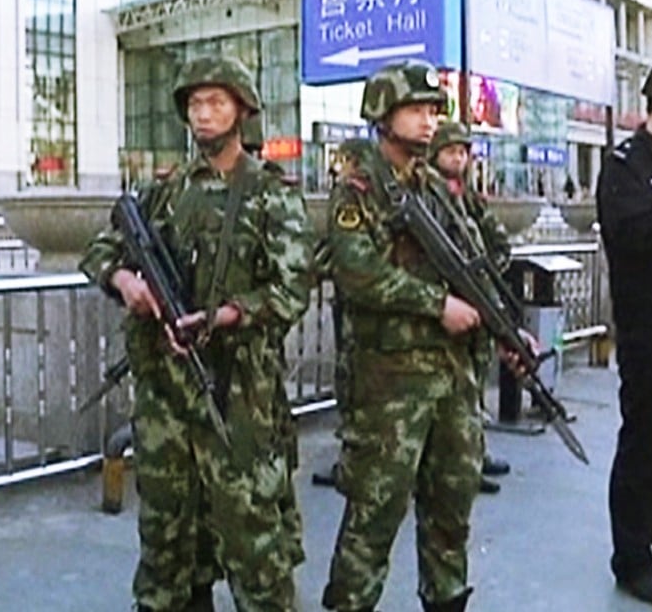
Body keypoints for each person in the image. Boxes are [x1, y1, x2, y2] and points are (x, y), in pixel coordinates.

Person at [79, 54, 315, 612]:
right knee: (167, 551)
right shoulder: (166, 192)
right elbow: (100, 248)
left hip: (236, 397)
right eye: (194, 104)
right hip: (166, 405)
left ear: (242, 110)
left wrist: (230, 313)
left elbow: (292, 289)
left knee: (257, 553)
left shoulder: (268, 193)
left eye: (215, 102)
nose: (203, 114)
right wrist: (123, 280)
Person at [320, 60, 486, 612]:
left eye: (434, 110)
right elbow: (358, 272)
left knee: (450, 509)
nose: (428, 121)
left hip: (451, 379)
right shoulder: (359, 189)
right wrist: (437, 305)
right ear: (383, 115)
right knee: (374, 514)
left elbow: (471, 262)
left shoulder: (435, 187)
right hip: (388, 383)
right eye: (415, 109)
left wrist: (502, 327)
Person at [598, 54, 652, 608]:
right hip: (649, 330)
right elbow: (633, 235)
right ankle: (632, 556)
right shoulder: (625, 164)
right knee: (646, 443)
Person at [428, 121, 513, 495]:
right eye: (451, 151)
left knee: (473, 384)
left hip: (476, 298)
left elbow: (492, 239)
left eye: (463, 152)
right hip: (448, 306)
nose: (458, 158)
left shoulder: (467, 197)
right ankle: (462, 460)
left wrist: (490, 273)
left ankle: (474, 451)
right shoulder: (431, 195)